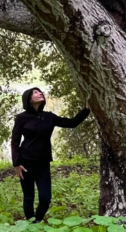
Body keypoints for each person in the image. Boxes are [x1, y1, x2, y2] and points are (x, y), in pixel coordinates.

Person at [10, 87, 91, 223]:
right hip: (26, 162)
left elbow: (72, 123)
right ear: (28, 98)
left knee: (45, 197)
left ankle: (38, 219)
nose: (40, 93)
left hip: (43, 163)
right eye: (35, 92)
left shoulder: (49, 117)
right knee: (29, 196)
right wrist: (16, 163)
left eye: (40, 91)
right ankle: (31, 224)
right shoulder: (22, 118)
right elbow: (15, 141)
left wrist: (87, 109)